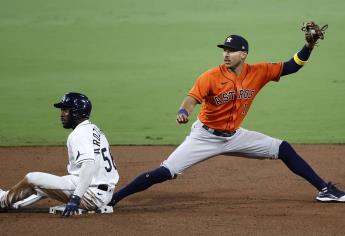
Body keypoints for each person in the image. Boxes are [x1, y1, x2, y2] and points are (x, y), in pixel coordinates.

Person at [108, 28, 345, 207]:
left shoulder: (259, 72)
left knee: (283, 148)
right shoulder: (210, 76)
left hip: (235, 136)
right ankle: (112, 200)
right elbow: (191, 99)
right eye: (224, 50)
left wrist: (309, 46)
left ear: (244, 54)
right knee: (165, 172)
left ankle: (325, 189)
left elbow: (292, 66)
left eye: (231, 50)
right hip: (204, 137)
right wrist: (183, 112)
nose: (226, 54)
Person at [0, 92, 119, 216]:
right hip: (103, 192)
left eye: (65, 110)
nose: (62, 115)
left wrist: (75, 199)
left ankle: (2, 202)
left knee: (32, 178)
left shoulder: (79, 134)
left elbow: (88, 166)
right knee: (46, 184)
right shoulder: (94, 129)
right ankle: (11, 201)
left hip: (91, 195)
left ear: (77, 112)